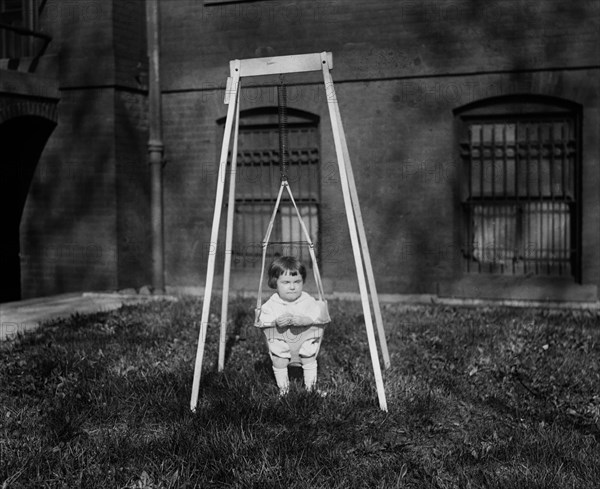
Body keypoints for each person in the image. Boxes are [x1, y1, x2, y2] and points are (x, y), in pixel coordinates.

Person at [255, 256, 329, 396]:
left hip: (305, 343)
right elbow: (264, 319)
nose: (292, 286)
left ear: (303, 282)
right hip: (281, 344)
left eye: (297, 281)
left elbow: (318, 315)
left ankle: (310, 389)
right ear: (275, 282)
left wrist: (306, 320)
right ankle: (284, 390)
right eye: (286, 282)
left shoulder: (307, 300)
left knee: (310, 357)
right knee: (278, 360)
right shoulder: (272, 303)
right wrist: (276, 321)